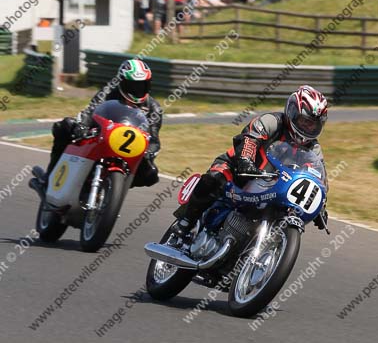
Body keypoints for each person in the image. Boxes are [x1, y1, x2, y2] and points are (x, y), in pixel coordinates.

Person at [175, 86, 329, 236]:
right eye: (305, 121)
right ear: (292, 112)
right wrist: (246, 160)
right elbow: (250, 139)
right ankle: (186, 221)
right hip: (237, 168)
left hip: (271, 187)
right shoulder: (272, 122)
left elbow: (318, 178)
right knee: (213, 179)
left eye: (313, 124)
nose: (308, 127)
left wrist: (320, 205)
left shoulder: (313, 148)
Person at [39, 59, 161, 189]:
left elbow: (154, 139)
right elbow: (91, 111)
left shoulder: (154, 108)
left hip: (130, 151)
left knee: (151, 175)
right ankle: (50, 176)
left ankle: (115, 188)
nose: (138, 89)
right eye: (133, 85)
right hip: (103, 137)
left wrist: (148, 152)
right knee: (65, 126)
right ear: (121, 82)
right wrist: (82, 125)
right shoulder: (107, 93)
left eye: (142, 85)